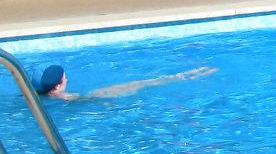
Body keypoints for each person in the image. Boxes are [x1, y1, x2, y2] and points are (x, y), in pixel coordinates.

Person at [36, 63, 215, 102]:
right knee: (146, 83)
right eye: (65, 77)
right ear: (59, 84)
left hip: (95, 96)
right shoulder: (67, 97)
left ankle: (188, 74)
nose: (67, 79)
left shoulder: (39, 94)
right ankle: (188, 74)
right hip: (99, 96)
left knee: (147, 83)